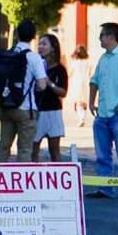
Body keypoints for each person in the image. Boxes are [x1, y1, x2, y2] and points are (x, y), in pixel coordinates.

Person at [88, 23, 118, 202]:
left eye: (102, 35)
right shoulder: (103, 59)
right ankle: (105, 187)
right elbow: (94, 82)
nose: (100, 38)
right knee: (102, 154)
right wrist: (91, 102)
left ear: (111, 36)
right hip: (102, 114)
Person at [0, 20, 51, 162]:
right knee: (25, 150)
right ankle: (21, 183)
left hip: (5, 106)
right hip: (26, 109)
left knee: (3, 148)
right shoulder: (34, 57)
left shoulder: (7, 54)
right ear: (33, 36)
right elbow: (42, 85)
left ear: (17, 34)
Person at [32, 33, 69, 162]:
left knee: (54, 149)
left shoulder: (59, 69)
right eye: (39, 44)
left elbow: (63, 92)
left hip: (53, 111)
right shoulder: (35, 66)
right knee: (33, 147)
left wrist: (49, 83)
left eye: (44, 44)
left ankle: (57, 177)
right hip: (38, 110)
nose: (40, 47)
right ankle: (34, 176)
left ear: (53, 47)